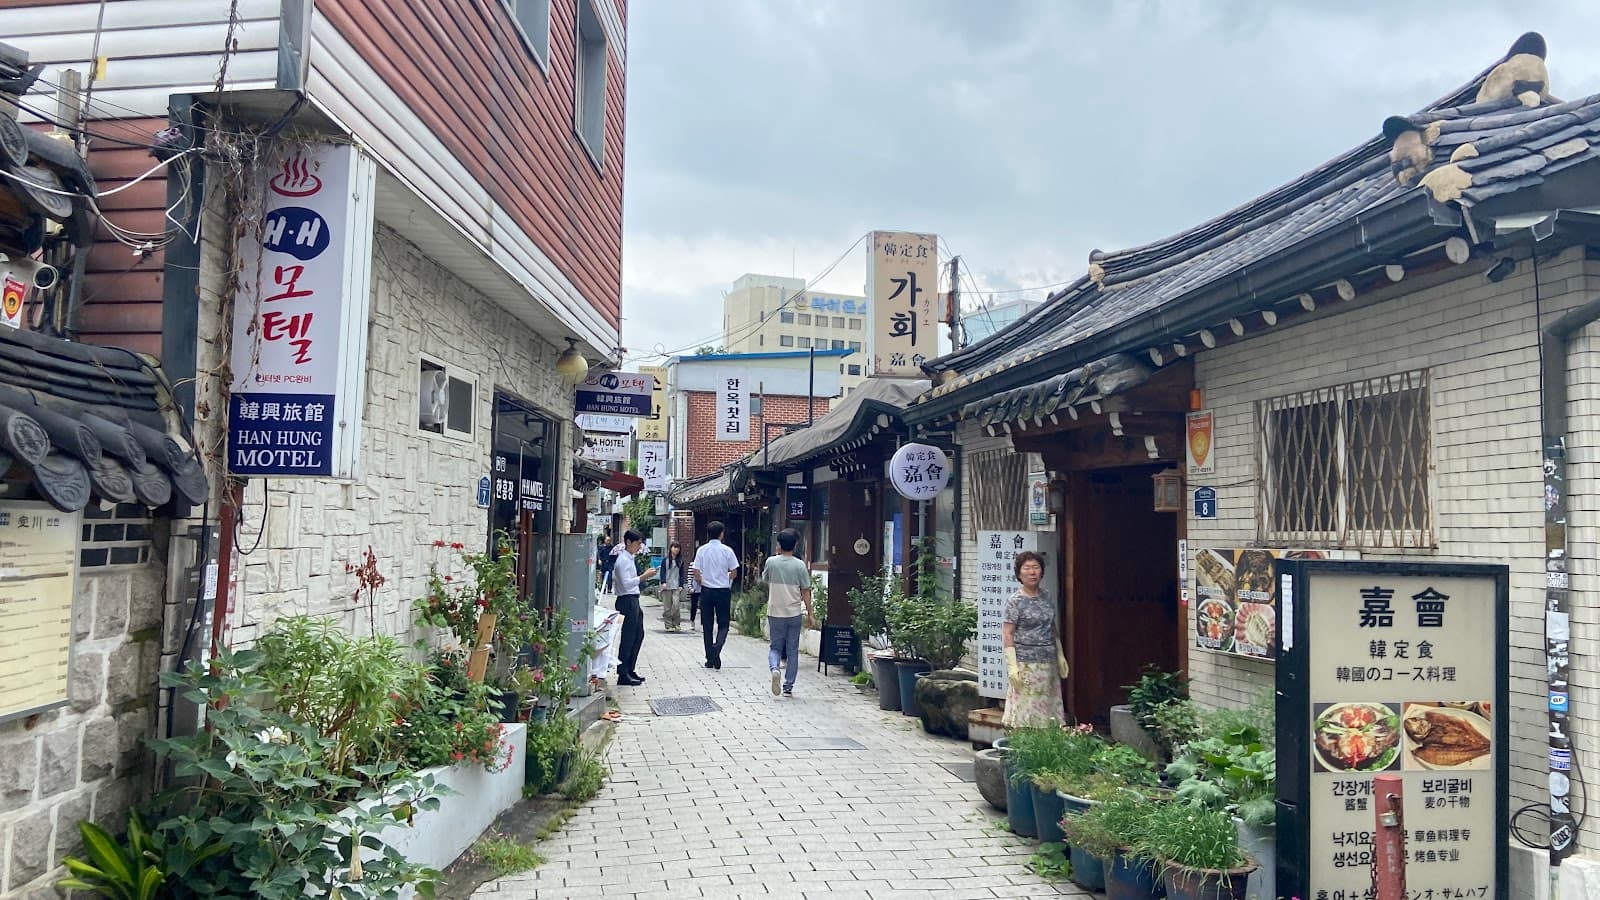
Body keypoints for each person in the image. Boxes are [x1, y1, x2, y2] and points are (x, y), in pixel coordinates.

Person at [1001, 550, 1067, 727]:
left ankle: (1047, 744)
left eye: (1036, 568)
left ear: (1041, 572)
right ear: (1019, 573)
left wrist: (1060, 654)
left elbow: (1052, 626)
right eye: (1027, 568)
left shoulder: (1046, 596)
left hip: (1048, 661)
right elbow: (1008, 633)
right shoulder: (1015, 601)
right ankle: (1026, 743)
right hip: (1026, 664)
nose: (1032, 572)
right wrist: (1012, 665)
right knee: (1027, 708)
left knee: (1048, 708)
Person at [762, 528, 814, 697]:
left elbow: (765, 579)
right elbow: (806, 590)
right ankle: (788, 685)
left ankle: (775, 669)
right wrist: (810, 614)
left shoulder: (771, 562)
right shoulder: (799, 565)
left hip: (775, 610)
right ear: (795, 545)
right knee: (792, 650)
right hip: (793, 612)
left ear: (778, 545)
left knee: (775, 647)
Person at [689, 521, 740, 669]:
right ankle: (716, 648)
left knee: (707, 625)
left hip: (706, 591)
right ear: (721, 534)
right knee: (724, 624)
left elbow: (696, 572)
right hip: (723, 591)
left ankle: (709, 657)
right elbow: (734, 572)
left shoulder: (701, 550)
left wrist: (704, 581)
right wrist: (725, 578)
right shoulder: (727, 551)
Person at [611, 530, 656, 686]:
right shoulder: (622, 561)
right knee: (628, 637)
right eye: (637, 543)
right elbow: (626, 583)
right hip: (626, 600)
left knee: (638, 635)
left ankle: (630, 669)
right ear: (628, 542)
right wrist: (644, 576)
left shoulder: (630, 559)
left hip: (634, 599)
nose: (639, 547)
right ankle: (623, 673)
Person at [659, 543, 686, 632]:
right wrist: (663, 582)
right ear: (670, 548)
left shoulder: (680, 561)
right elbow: (662, 572)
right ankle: (668, 625)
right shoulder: (665, 560)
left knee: (676, 605)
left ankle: (676, 623)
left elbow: (682, 574)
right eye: (674, 547)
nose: (676, 549)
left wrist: (681, 585)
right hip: (666, 586)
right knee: (667, 607)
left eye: (678, 548)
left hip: (676, 586)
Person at [597, 528, 616, 595]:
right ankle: (602, 588)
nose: (608, 541)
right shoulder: (602, 547)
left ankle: (609, 589)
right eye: (607, 540)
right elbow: (599, 554)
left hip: (610, 563)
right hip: (603, 563)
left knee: (610, 576)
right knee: (602, 576)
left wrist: (613, 562)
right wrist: (599, 560)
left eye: (609, 540)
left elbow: (614, 555)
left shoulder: (612, 547)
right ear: (605, 540)